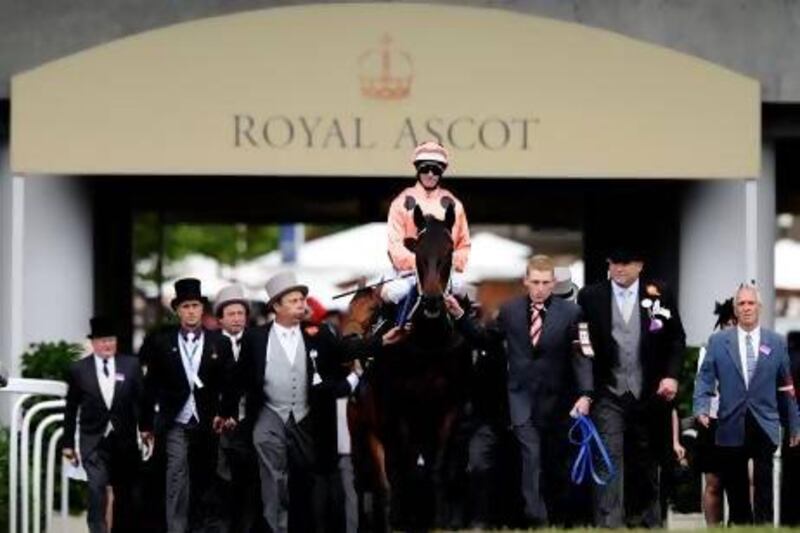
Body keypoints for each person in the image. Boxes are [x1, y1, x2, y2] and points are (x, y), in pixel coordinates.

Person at [228, 271, 401, 533]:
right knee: (272, 479)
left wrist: (378, 343)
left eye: (302, 299)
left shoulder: (318, 333)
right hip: (269, 414)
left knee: (304, 481)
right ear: (276, 306)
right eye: (294, 300)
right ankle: (277, 528)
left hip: (305, 417)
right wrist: (226, 411)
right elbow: (239, 378)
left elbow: (344, 350)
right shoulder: (255, 337)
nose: (302, 304)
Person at [445, 254, 593, 527]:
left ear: (553, 283)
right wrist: (460, 316)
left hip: (558, 403)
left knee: (555, 466)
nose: (539, 288)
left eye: (545, 282)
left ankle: (558, 519)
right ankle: (536, 519)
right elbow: (485, 338)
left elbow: (582, 356)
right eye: (534, 282)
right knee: (531, 459)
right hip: (520, 401)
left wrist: (585, 394)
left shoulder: (572, 313)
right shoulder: (510, 310)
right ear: (526, 281)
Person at [577, 246, 686, 528]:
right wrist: (587, 391)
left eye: (625, 263)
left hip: (648, 391)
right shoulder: (590, 296)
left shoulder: (659, 292)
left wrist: (671, 375)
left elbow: (676, 339)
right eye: (614, 263)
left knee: (647, 459)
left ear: (640, 265)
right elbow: (582, 345)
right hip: (608, 391)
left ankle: (649, 522)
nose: (619, 269)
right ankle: (609, 524)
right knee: (608, 457)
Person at [694, 283, 800, 524]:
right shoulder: (719, 341)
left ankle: (762, 527)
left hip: (765, 422)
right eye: (741, 303)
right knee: (736, 490)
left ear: (759, 307)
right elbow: (705, 378)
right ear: (735, 308)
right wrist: (701, 407)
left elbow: (786, 387)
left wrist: (794, 424)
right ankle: (742, 526)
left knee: (764, 485)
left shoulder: (776, 341)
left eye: (751, 303)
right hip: (730, 423)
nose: (746, 308)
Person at [139, 277, 233, 533]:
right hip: (175, 421)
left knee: (204, 478)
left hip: (207, 420)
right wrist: (145, 424)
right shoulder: (162, 343)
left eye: (195, 305)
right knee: (176, 476)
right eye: (185, 306)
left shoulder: (220, 343)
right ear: (178, 311)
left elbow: (230, 383)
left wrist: (226, 413)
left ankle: (200, 528)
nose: (191, 311)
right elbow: (150, 387)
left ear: (202, 309)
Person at [63, 317, 145, 533]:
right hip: (93, 441)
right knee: (96, 489)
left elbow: (141, 401)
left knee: (126, 494)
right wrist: (68, 443)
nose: (107, 345)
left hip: (124, 441)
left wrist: (146, 430)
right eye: (102, 340)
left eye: (111, 340)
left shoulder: (131, 365)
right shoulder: (79, 369)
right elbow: (71, 408)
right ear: (93, 343)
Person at [382, 141, 471, 321]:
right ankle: (385, 332)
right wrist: (421, 265)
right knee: (393, 292)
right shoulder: (400, 203)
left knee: (462, 288)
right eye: (425, 169)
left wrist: (446, 264)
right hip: (408, 273)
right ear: (417, 170)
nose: (430, 174)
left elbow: (464, 244)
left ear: (441, 172)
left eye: (436, 170)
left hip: (444, 273)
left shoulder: (455, 205)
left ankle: (474, 341)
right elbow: (395, 244)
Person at [213, 284, 260, 533]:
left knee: (250, 482)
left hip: (251, 422)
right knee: (222, 480)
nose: (237, 318)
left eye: (241, 313)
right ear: (220, 318)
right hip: (219, 424)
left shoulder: (257, 342)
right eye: (231, 314)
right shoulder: (210, 344)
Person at [694, 298, 736, 525]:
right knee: (714, 484)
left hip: (742, 422)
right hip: (713, 421)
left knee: (745, 482)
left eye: (734, 323)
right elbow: (703, 386)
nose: (730, 328)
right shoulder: (708, 350)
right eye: (726, 323)